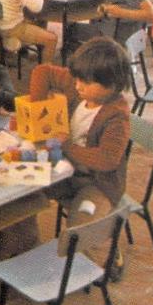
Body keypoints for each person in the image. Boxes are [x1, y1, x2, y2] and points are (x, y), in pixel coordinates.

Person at [28, 37, 132, 233]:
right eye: (77, 79)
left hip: (97, 183)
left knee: (81, 228)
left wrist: (67, 146)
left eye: (86, 82)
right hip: (63, 172)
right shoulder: (80, 83)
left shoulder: (117, 115)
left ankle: (99, 253)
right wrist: (38, 114)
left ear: (113, 84)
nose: (78, 86)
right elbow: (42, 72)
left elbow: (107, 159)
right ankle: (25, 244)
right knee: (21, 195)